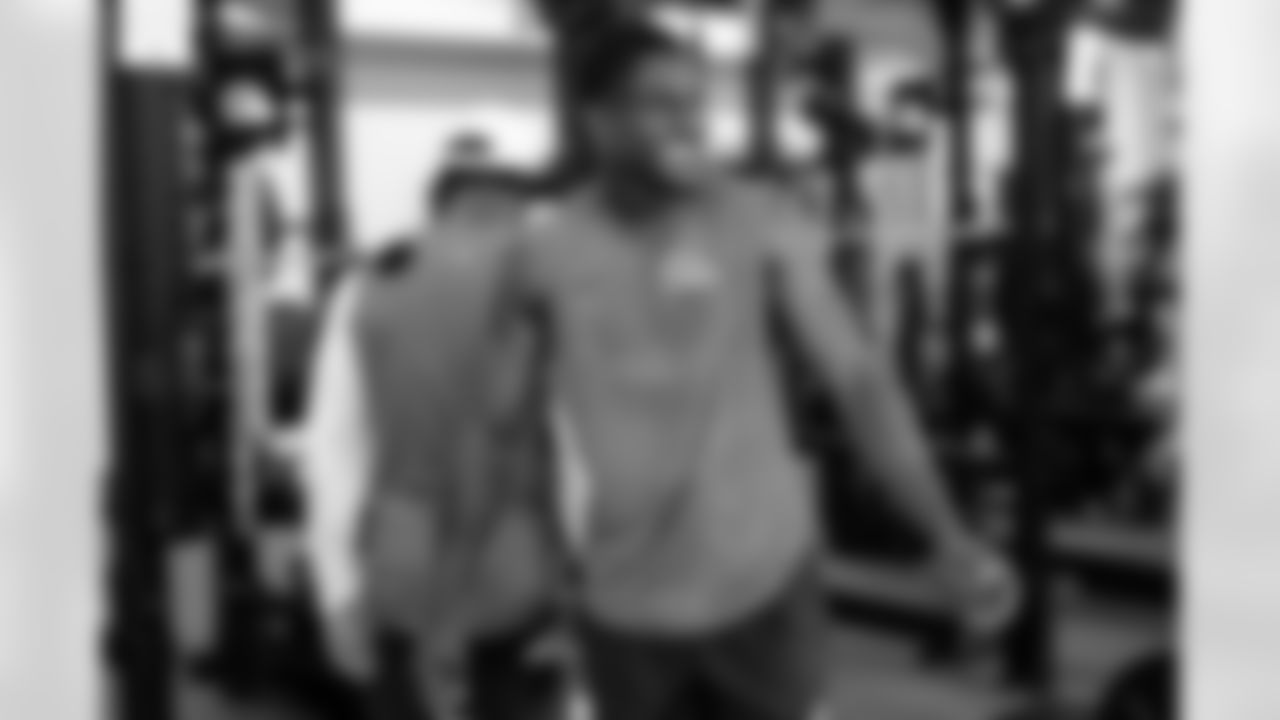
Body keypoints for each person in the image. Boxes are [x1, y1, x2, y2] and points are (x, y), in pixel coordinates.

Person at [487, 21, 1020, 720]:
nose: (688, 123)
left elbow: (859, 380)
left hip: (761, 590)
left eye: (694, 103)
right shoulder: (541, 254)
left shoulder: (758, 218)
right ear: (599, 121)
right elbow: (511, 430)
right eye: (659, 104)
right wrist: (539, 570)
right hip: (626, 604)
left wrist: (945, 532)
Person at [299, 160, 564, 720]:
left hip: (403, 564)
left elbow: (334, 448)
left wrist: (336, 590)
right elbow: (583, 450)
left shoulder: (370, 285)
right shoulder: (550, 289)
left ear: (437, 210)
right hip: (518, 566)